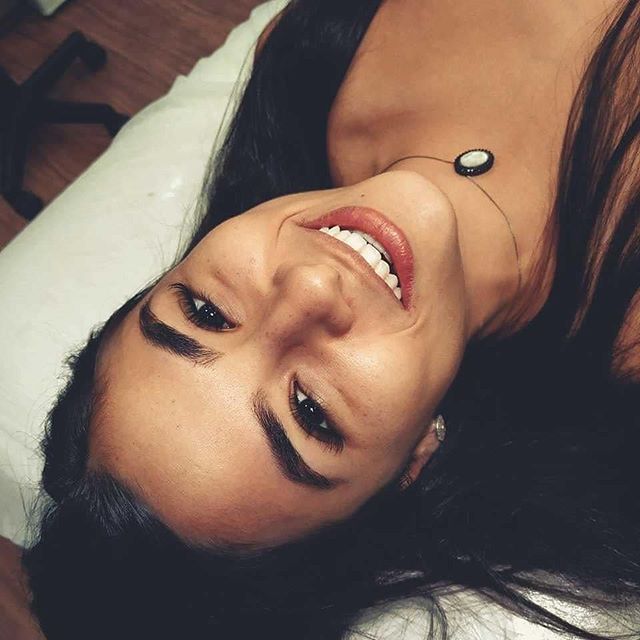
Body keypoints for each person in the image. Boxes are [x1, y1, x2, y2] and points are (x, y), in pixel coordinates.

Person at [4, 0, 640, 638]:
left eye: (205, 311)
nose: (310, 287)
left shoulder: (309, 58)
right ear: (415, 459)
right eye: (310, 411)